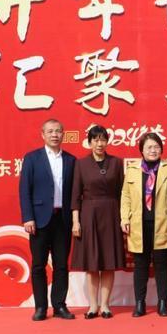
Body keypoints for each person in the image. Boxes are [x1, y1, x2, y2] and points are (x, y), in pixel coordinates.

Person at [19, 119, 76, 321]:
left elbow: (75, 192)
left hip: (63, 219)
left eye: (58, 131)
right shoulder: (32, 158)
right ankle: (40, 307)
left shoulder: (71, 160)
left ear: (63, 134)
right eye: (50, 131)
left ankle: (59, 305)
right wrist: (28, 217)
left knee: (61, 265)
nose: (54, 135)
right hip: (39, 219)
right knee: (38, 265)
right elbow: (24, 190)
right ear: (42, 134)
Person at [120, 133, 167, 318]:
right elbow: (125, 196)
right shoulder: (132, 169)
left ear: (161, 149)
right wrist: (124, 219)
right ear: (142, 150)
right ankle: (140, 303)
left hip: (162, 223)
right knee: (140, 265)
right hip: (138, 224)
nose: (153, 150)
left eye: (156, 147)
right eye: (149, 147)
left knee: (162, 264)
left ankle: (163, 303)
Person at [71, 125, 125, 319]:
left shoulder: (116, 163)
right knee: (92, 263)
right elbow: (75, 195)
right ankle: (93, 306)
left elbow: (122, 193)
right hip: (88, 215)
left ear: (107, 141)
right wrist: (75, 221)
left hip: (111, 214)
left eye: (103, 139)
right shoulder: (81, 164)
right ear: (89, 142)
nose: (99, 143)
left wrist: (123, 218)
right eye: (95, 140)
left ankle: (105, 305)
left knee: (108, 262)